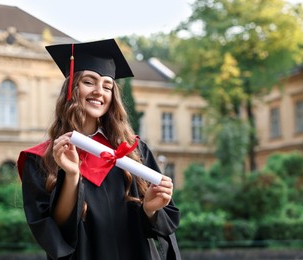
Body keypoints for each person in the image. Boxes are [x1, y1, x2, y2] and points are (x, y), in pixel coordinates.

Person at [17, 39, 181, 260]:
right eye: (89, 82)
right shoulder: (42, 158)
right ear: (71, 88)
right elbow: (57, 230)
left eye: (107, 86)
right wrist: (72, 175)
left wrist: (150, 210)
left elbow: (157, 226)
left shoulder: (133, 151)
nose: (99, 92)